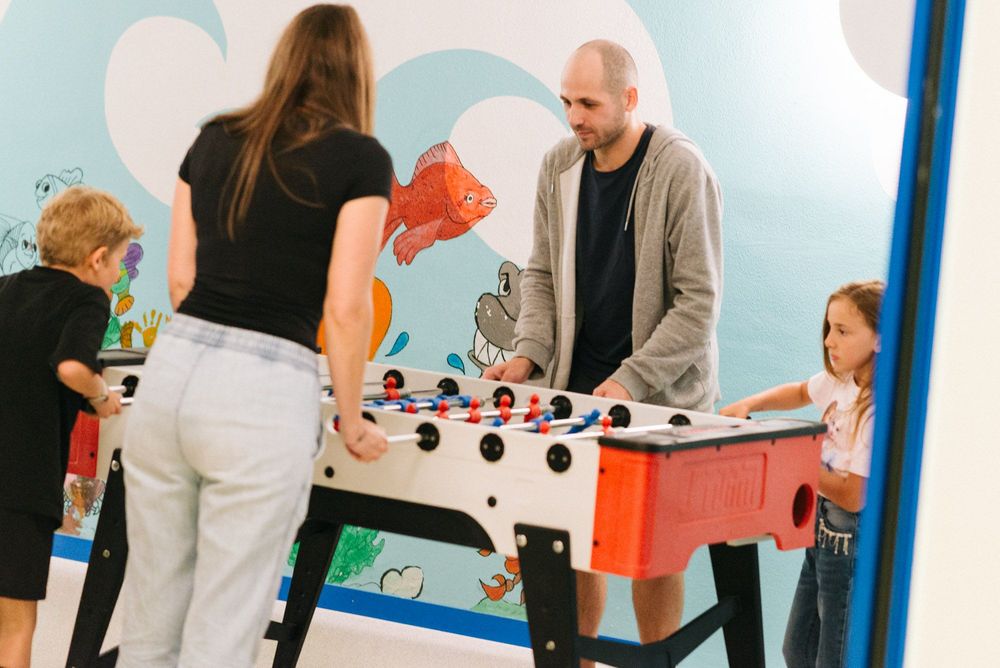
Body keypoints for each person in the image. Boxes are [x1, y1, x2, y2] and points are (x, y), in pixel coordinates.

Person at [116, 5, 391, 666]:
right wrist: (351, 420)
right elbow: (346, 307)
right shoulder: (361, 159)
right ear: (357, 71)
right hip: (262, 391)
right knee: (224, 628)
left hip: (173, 372)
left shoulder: (213, 137)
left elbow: (179, 282)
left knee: (152, 616)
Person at [484, 40, 723, 658]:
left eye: (588, 103)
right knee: (571, 540)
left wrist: (632, 379)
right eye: (567, 101)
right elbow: (540, 274)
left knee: (652, 553)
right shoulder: (559, 165)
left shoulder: (679, 167)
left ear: (630, 99)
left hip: (661, 398)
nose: (574, 116)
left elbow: (698, 303)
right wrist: (530, 350)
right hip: (575, 387)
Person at [0, 186, 139, 668]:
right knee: (16, 622)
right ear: (97, 258)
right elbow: (72, 367)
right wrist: (101, 399)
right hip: (21, 485)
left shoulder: (7, 284)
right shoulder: (88, 300)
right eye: (120, 260)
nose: (119, 272)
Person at [720, 280, 884, 668]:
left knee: (834, 657)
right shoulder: (841, 381)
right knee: (797, 649)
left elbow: (852, 494)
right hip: (821, 532)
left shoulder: (876, 409)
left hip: (848, 540)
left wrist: (795, 460)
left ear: (880, 338)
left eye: (843, 331)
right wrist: (750, 403)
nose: (830, 340)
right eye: (829, 328)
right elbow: (798, 391)